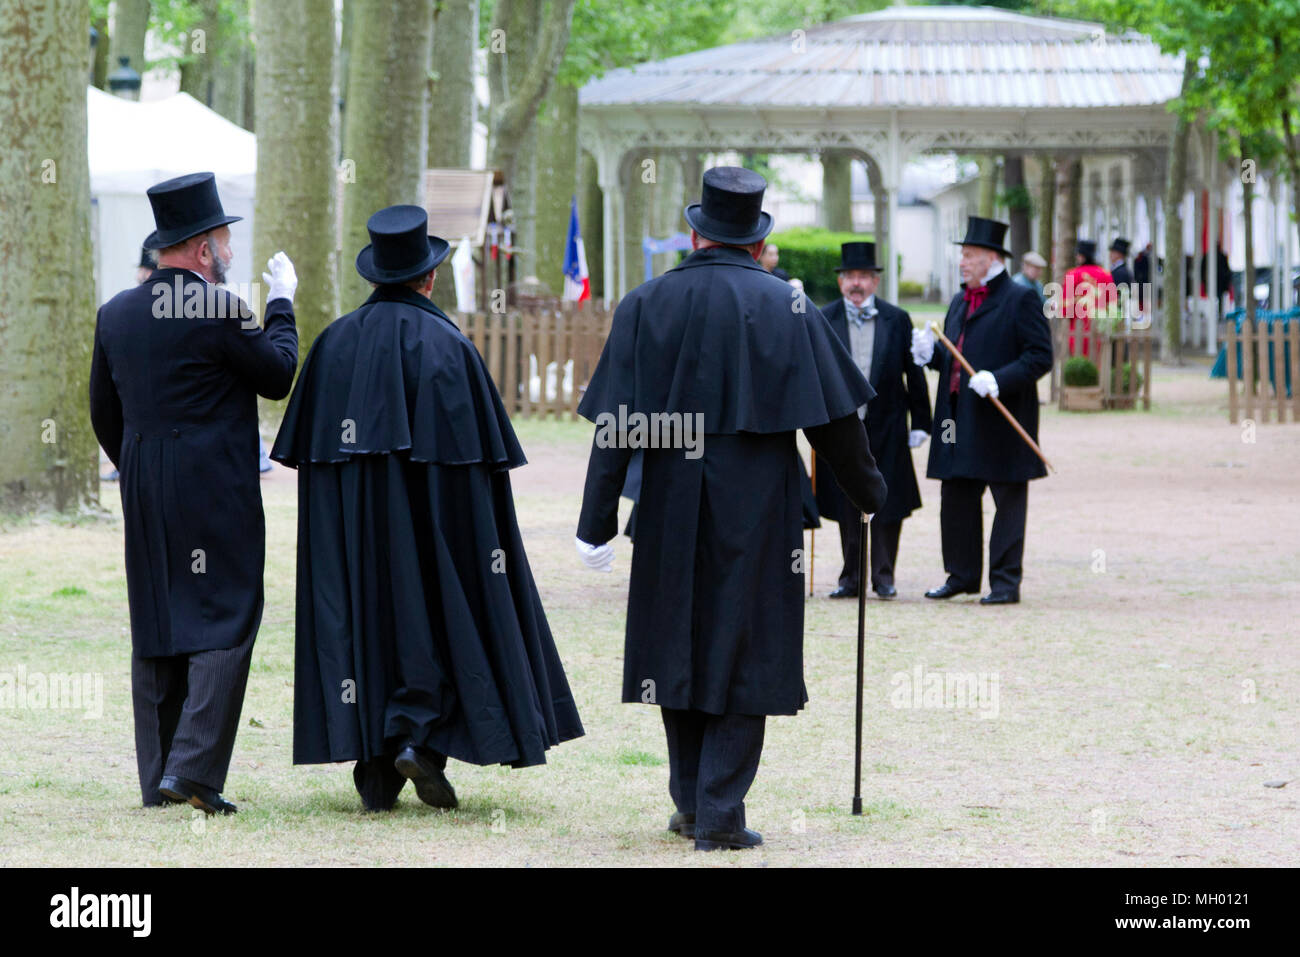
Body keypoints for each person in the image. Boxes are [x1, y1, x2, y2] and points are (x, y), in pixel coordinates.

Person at [575, 167, 886, 851]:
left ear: (695, 233)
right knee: (746, 647)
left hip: (665, 501)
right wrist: (869, 493)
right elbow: (837, 423)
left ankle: (692, 801)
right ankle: (718, 809)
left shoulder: (644, 302)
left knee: (675, 642)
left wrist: (593, 522)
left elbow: (615, 426)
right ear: (757, 241)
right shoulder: (789, 305)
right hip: (759, 505)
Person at [271, 205, 584, 813]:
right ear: (430, 277)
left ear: (374, 275)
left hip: (353, 523)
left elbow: (313, 463)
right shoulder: (448, 345)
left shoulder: (334, 343)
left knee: (362, 607)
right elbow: (477, 468)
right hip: (435, 516)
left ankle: (374, 764)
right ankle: (419, 740)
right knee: (435, 605)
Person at [89, 172, 299, 814]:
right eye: (224, 239)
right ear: (204, 249)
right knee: (226, 614)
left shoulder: (116, 311)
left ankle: (160, 778)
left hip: (144, 478)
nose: (229, 250)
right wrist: (282, 303)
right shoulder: (222, 307)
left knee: (158, 617)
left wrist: (140, 458)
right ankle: (195, 771)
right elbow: (278, 374)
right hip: (213, 484)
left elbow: (103, 410)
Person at [910, 216, 1053, 605]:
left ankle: (1005, 583)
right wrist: (929, 355)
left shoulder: (1021, 298)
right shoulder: (959, 299)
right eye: (962, 255)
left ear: (991, 258)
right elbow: (955, 357)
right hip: (957, 419)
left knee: (1007, 500)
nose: (962, 262)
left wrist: (999, 379)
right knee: (956, 496)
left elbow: (1040, 357)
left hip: (1000, 418)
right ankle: (961, 574)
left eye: (969, 255)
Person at [816, 241, 931, 600]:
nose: (856, 283)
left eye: (864, 276)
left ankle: (884, 576)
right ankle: (851, 577)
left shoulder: (897, 318)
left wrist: (922, 422)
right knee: (846, 498)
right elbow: (814, 373)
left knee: (888, 500)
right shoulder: (824, 318)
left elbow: (914, 373)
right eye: (850, 276)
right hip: (841, 426)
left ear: (875, 282)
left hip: (888, 424)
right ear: (840, 281)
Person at [1061, 239, 1112, 357]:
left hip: (1077, 328)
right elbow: (1111, 303)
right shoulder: (1105, 274)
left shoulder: (1072, 274)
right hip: (1099, 326)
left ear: (1082, 256)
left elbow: (1066, 308)